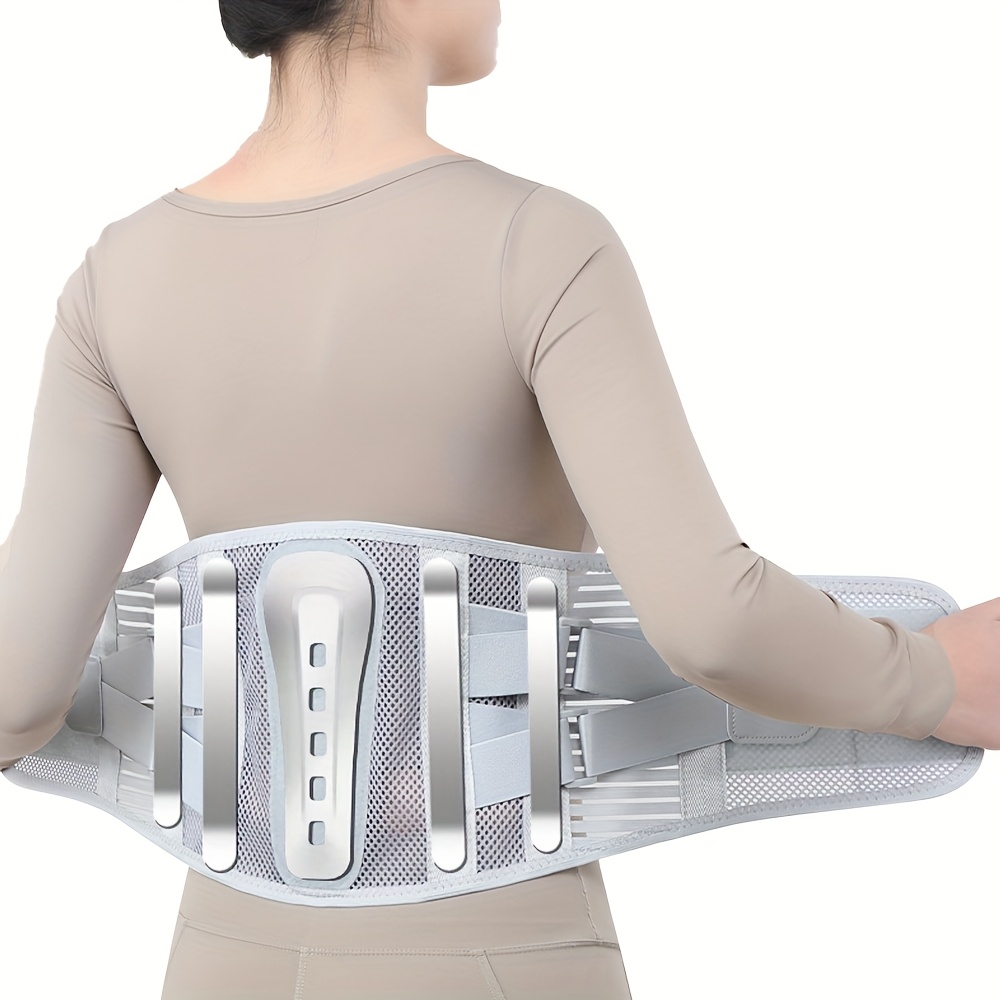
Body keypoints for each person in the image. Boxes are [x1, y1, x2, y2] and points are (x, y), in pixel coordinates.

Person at [1, 1, 998, 997]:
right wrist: (929, 677)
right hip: (500, 950)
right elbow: (711, 620)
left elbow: (14, 688)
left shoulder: (113, 281)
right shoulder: (537, 244)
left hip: (223, 955)